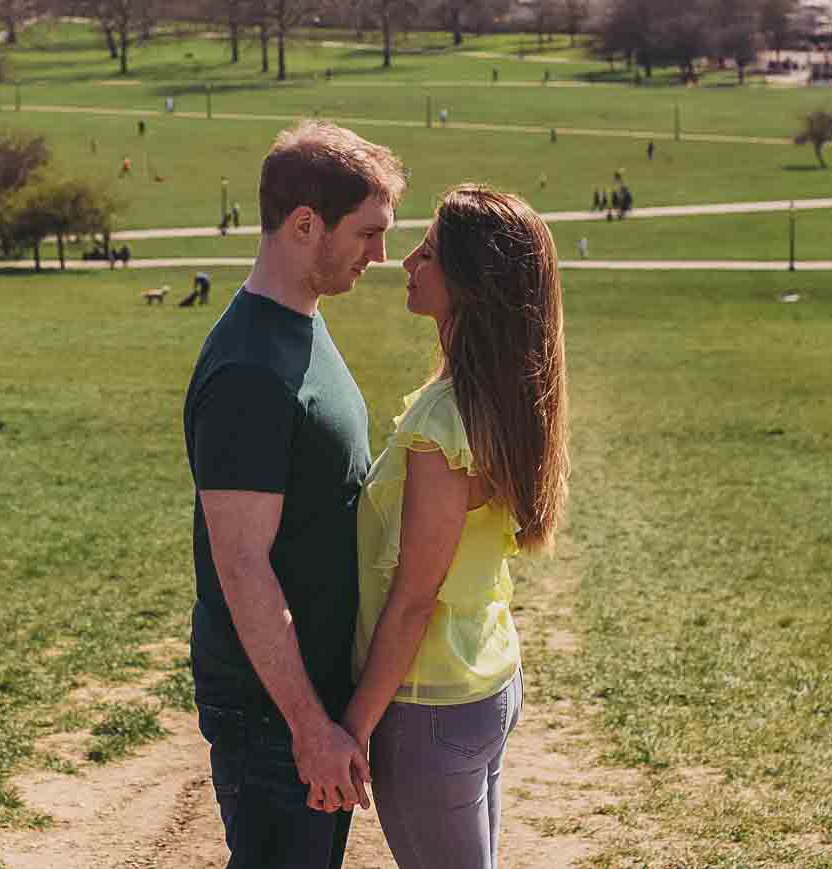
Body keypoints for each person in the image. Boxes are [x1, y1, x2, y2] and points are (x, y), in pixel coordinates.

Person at [185, 120, 407, 868]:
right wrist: (310, 727)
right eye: (368, 233)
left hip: (306, 704)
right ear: (305, 225)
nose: (382, 255)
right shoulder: (250, 370)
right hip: (273, 715)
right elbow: (242, 567)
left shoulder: (301, 323)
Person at [348, 186, 570, 868]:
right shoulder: (505, 401)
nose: (408, 259)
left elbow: (416, 597)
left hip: (429, 706)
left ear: (471, 285)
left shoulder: (444, 423)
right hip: (486, 682)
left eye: (431, 251)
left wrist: (354, 724)